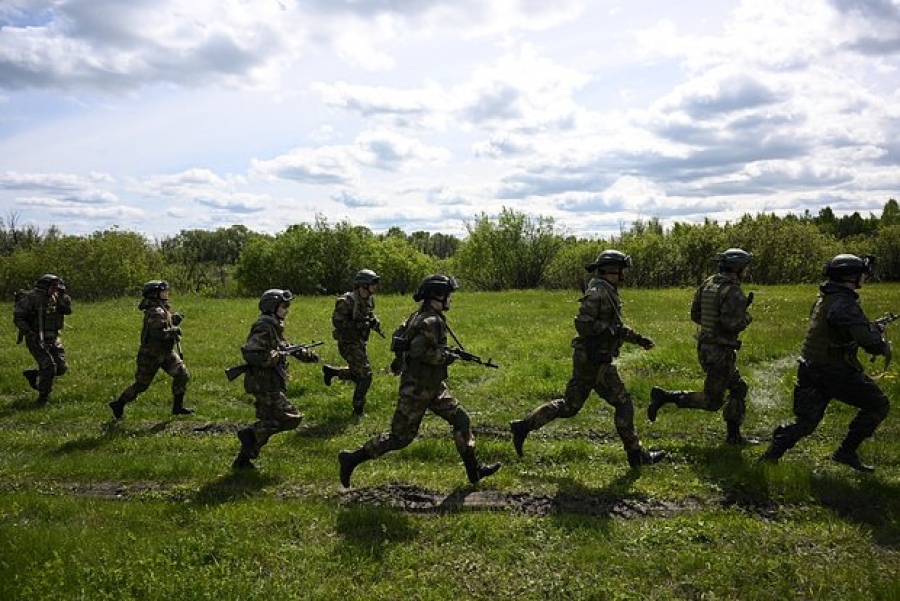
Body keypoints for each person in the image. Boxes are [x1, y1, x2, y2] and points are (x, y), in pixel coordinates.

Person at [338, 274, 502, 487]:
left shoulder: (420, 315)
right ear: (438, 296)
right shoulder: (430, 321)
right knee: (399, 438)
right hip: (417, 389)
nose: (451, 299)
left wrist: (402, 361)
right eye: (449, 295)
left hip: (433, 386)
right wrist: (446, 356)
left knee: (461, 420)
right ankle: (351, 459)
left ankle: (474, 472)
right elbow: (417, 351)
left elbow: (400, 339)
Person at [510, 250, 666, 469]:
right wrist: (610, 332)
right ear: (612, 270)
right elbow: (584, 325)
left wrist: (639, 339)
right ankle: (636, 454)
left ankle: (522, 427)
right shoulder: (597, 293)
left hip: (590, 358)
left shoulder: (607, 291)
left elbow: (616, 327)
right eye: (622, 270)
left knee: (570, 406)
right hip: (594, 359)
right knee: (623, 403)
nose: (624, 275)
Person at [759, 254, 891, 472]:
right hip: (834, 371)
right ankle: (846, 452)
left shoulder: (825, 298)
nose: (865, 278)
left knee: (806, 423)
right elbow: (870, 344)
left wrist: (869, 326)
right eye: (862, 274)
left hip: (810, 366)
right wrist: (880, 342)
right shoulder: (844, 302)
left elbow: (837, 331)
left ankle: (771, 455)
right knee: (878, 405)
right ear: (851, 276)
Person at [647, 248, 757, 445]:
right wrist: (746, 316)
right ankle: (666, 397)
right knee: (712, 402)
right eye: (745, 267)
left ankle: (734, 437)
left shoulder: (709, 284)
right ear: (738, 268)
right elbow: (731, 324)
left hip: (706, 347)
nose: (746, 271)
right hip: (720, 351)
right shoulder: (733, 291)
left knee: (738, 387)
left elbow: (695, 314)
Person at [232, 289, 320, 470]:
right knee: (292, 417)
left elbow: (285, 347)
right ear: (272, 307)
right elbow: (250, 352)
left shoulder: (275, 326)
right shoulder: (264, 326)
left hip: (269, 382)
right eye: (284, 306)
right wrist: (272, 358)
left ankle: (243, 460)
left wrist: (306, 355)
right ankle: (250, 433)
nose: (287, 310)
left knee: (270, 422)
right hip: (264, 384)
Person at [108, 280, 193, 419]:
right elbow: (157, 333)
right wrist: (173, 331)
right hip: (151, 355)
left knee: (182, 374)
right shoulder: (155, 311)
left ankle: (178, 407)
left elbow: (164, 324)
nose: (166, 293)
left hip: (166, 353)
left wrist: (174, 320)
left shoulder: (162, 308)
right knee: (142, 385)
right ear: (154, 295)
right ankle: (119, 404)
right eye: (163, 291)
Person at [322, 269, 382, 415]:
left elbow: (368, 315)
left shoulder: (368, 299)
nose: (375, 287)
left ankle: (333, 372)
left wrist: (373, 322)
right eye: (373, 284)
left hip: (360, 341)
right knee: (365, 376)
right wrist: (359, 325)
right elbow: (338, 323)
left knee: (358, 373)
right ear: (363, 285)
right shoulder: (346, 301)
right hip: (347, 343)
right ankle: (358, 410)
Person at [13, 273, 73, 406]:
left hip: (53, 337)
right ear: (44, 286)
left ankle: (34, 374)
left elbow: (67, 310)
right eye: (53, 287)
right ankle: (43, 397)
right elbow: (18, 317)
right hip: (36, 337)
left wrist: (62, 295)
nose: (55, 289)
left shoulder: (57, 297)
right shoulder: (31, 298)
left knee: (61, 367)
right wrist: (28, 332)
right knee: (49, 367)